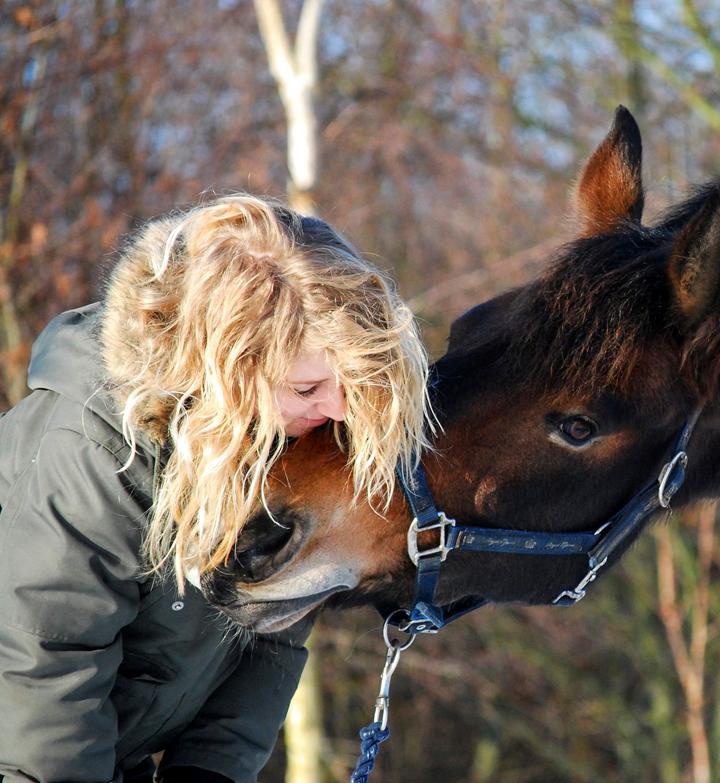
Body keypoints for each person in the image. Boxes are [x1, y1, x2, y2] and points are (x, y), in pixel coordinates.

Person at [0, 195, 430, 782]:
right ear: (227, 372)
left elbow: (273, 634)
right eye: (308, 388)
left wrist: (210, 772)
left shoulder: (286, 434)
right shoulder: (93, 453)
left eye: (348, 382)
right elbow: (45, 664)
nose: (336, 407)